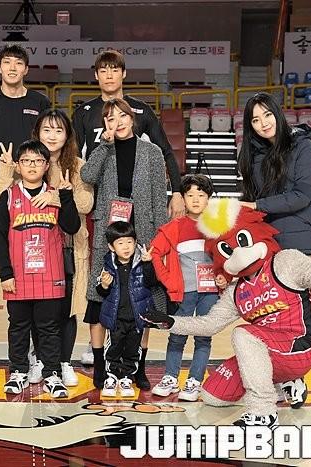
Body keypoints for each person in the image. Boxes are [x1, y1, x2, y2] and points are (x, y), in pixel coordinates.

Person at [143, 198, 311, 426]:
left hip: (299, 345)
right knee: (212, 395)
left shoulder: (285, 261)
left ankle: (263, 411)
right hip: (265, 352)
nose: (237, 253)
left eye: (242, 241)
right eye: (227, 250)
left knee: (243, 333)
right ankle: (283, 383)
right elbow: (209, 324)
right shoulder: (236, 290)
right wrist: (171, 322)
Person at [72, 50, 185, 369]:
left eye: (114, 69)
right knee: (102, 281)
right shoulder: (86, 115)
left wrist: (176, 193)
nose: (109, 75)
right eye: (103, 70)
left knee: (139, 286)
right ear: (95, 75)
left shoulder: (144, 121)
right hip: (104, 215)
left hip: (140, 220)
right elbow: (82, 167)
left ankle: (132, 354)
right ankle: (100, 350)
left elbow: (162, 165)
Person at [0, 109, 93, 387]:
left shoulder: (77, 165)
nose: (52, 135)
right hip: (27, 251)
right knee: (31, 313)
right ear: (37, 133)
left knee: (65, 309)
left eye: (58, 130)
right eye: (46, 129)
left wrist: (56, 197)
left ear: (67, 135)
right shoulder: (27, 161)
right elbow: (3, 202)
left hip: (68, 247)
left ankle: (62, 362)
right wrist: (6, 170)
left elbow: (85, 205)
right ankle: (39, 361)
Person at [0, 44, 51, 368]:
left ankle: (33, 349)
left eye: (18, 63)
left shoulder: (40, 103)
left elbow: (48, 148)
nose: (13, 67)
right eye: (7, 62)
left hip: (33, 198)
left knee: (32, 267)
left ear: (26, 69)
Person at [80, 97, 169, 390]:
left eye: (122, 116)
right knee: (98, 298)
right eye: (110, 118)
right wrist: (104, 145)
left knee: (141, 301)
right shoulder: (103, 149)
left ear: (132, 119)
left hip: (141, 234)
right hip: (107, 234)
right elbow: (87, 175)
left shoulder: (152, 152)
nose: (117, 122)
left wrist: (157, 240)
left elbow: (159, 200)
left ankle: (138, 367)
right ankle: (100, 366)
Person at [149, 174, 220, 401]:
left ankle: (194, 381)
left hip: (210, 292)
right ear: (183, 199)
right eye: (190, 195)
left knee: (203, 337)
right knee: (177, 334)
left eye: (201, 195)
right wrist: (168, 281)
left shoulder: (218, 227)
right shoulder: (175, 227)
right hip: (184, 292)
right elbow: (155, 253)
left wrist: (224, 277)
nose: (196, 199)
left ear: (209, 198)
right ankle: (170, 377)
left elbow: (228, 255)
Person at [237, 92, 311, 256]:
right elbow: (252, 196)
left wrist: (256, 205)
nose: (264, 124)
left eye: (267, 115)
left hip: (299, 238)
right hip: (266, 239)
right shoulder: (254, 155)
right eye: (255, 120)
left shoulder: (304, 146)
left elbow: (302, 196)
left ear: (277, 113)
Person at [96, 222, 156, 397]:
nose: (126, 247)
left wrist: (148, 264)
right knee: (113, 348)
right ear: (111, 247)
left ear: (135, 243)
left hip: (137, 318)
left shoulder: (141, 263)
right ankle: (112, 376)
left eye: (130, 242)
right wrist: (104, 285)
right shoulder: (108, 264)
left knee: (133, 349)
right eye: (120, 243)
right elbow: (101, 291)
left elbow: (151, 282)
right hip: (116, 318)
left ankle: (127, 377)